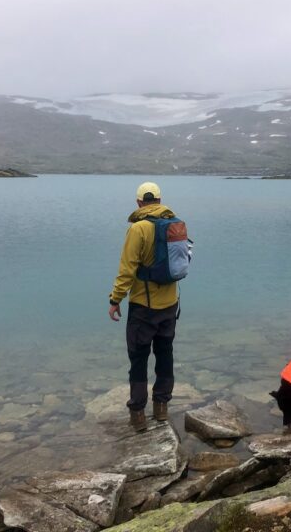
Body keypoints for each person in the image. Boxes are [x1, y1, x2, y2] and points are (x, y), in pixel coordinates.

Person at [109, 181, 179, 432]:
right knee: (165, 354)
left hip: (143, 307)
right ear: (159, 201)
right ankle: (161, 408)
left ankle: (138, 414)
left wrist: (115, 299)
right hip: (171, 305)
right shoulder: (175, 223)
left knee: (138, 359)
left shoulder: (138, 229)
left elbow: (127, 270)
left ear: (139, 203)